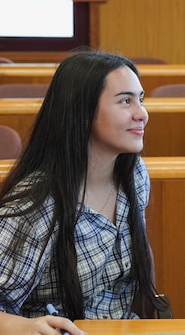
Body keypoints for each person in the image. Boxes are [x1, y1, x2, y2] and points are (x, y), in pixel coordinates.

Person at [0, 50, 168, 334]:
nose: (142, 114)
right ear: (82, 109)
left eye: (141, 99)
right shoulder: (37, 201)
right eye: (126, 101)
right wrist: (26, 327)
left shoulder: (134, 175)